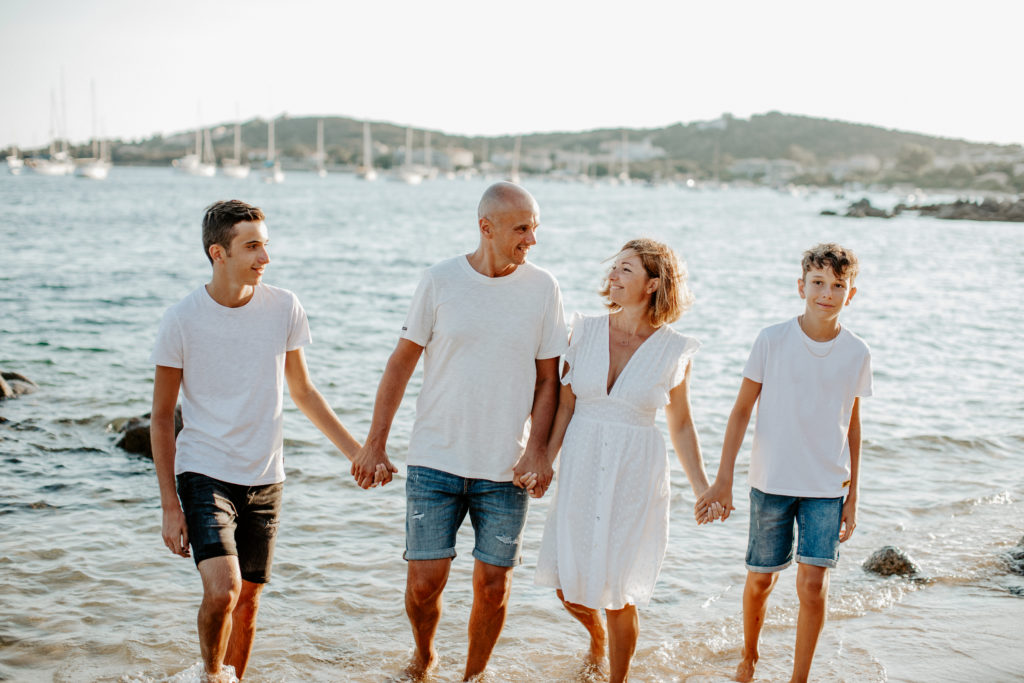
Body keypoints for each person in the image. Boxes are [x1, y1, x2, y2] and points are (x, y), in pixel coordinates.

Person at [349, 182, 567, 681]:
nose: (532, 239)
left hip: (505, 468)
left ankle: (473, 676)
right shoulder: (440, 280)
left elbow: (547, 379)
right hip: (434, 461)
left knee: (493, 587)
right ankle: (425, 656)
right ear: (485, 228)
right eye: (522, 228)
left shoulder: (543, 288)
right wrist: (374, 443)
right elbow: (400, 364)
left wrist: (537, 452)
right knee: (424, 584)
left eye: (535, 226)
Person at [150, 200, 375, 682]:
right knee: (223, 590)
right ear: (218, 253)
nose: (264, 257)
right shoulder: (181, 320)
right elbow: (163, 419)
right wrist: (170, 505)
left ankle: (235, 679)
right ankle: (211, 677)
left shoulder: (284, 307)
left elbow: (304, 391)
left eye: (265, 245)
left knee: (249, 599)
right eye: (252, 246)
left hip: (265, 476)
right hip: (204, 470)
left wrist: (358, 452)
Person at [533, 238, 719, 683]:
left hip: (637, 469)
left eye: (626, 270)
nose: (612, 276)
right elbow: (564, 406)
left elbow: (681, 425)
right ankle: (596, 639)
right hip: (582, 460)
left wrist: (704, 489)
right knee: (566, 581)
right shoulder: (585, 331)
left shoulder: (674, 349)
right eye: (614, 268)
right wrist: (545, 461)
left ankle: (618, 677)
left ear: (653, 284)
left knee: (619, 590)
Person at [695, 242, 873, 683]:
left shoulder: (857, 352)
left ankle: (799, 678)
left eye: (837, 286)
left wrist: (854, 496)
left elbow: (852, 424)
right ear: (801, 286)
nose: (826, 294)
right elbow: (740, 412)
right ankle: (750, 655)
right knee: (760, 581)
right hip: (771, 483)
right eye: (817, 283)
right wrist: (723, 481)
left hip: (827, 489)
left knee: (813, 585)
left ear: (851, 294)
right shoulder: (772, 339)